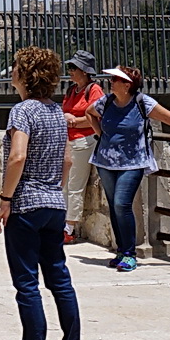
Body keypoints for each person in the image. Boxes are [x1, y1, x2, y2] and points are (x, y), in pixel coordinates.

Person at [0, 46, 81, 340]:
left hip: (26, 205)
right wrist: (53, 190)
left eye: (16, 67)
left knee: (27, 283)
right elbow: (67, 160)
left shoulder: (22, 111)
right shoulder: (57, 112)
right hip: (54, 204)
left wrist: (5, 199)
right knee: (59, 280)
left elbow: (17, 157)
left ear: (25, 75)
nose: (12, 71)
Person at [83, 66, 170, 271]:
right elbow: (89, 112)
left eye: (115, 79)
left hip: (133, 162)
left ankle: (129, 253)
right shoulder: (107, 102)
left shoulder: (142, 102)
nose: (111, 82)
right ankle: (121, 251)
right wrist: (101, 134)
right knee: (113, 206)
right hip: (106, 162)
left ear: (127, 85)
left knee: (122, 204)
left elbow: (168, 117)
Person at [59, 51, 104, 244]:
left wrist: (73, 121)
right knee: (64, 185)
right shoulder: (72, 90)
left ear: (84, 71)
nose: (70, 71)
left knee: (75, 185)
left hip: (84, 141)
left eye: (73, 68)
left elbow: (97, 116)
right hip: (69, 141)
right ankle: (62, 224)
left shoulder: (94, 91)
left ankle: (69, 228)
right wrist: (66, 118)